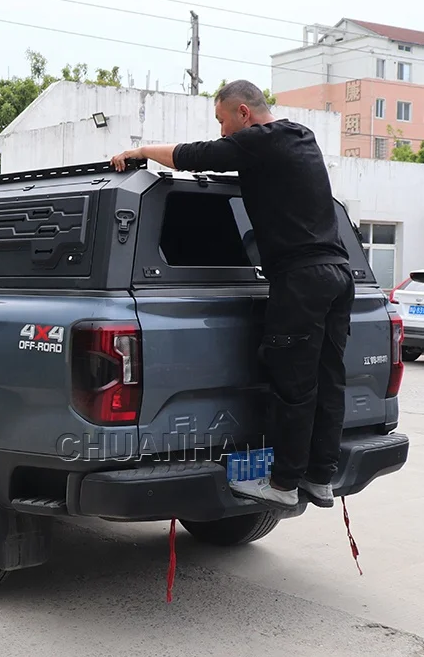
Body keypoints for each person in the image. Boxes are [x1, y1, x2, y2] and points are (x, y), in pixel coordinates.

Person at [110, 79, 355, 510]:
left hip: (300, 280)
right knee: (327, 380)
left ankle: (282, 483)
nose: (223, 131)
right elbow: (235, 165)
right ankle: (320, 477)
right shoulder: (300, 139)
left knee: (292, 385)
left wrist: (143, 151)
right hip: (338, 273)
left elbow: (195, 155)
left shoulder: (261, 141)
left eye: (224, 120)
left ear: (244, 113)